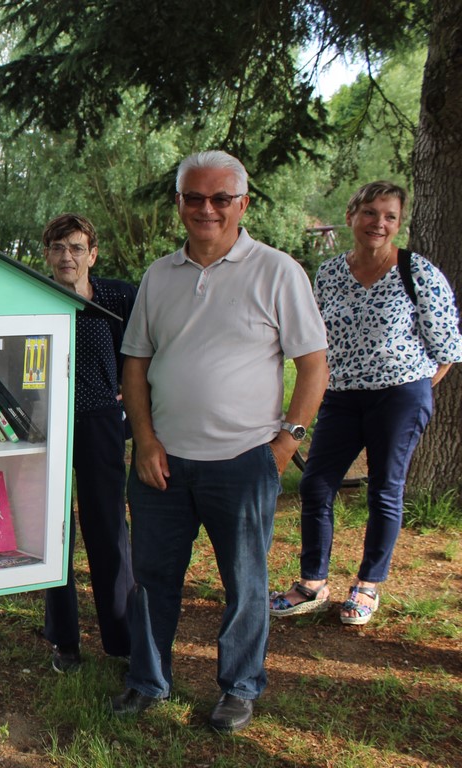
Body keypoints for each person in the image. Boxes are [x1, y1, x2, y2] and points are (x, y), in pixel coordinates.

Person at [113, 150, 328, 733]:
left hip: (244, 461)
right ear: (179, 202)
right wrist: (145, 440)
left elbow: (313, 365)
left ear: (242, 204)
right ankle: (148, 680)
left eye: (219, 199)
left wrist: (287, 443)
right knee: (153, 580)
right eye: (193, 197)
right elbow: (136, 364)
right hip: (163, 464)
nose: (205, 209)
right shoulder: (159, 275)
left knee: (246, 584)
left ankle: (239, 687)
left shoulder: (279, 271)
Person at [270, 181, 461, 625]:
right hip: (339, 396)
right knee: (316, 484)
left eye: (390, 216)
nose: (380, 223)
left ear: (399, 223)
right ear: (353, 215)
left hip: (400, 396)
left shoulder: (418, 271)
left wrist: (417, 392)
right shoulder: (331, 273)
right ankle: (312, 582)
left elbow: (447, 348)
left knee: (384, 489)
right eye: (371, 213)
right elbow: (316, 339)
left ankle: (368, 584)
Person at [39, 213, 135, 672]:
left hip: (100, 421)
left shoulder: (118, 295)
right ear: (46, 255)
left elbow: (144, 347)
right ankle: (64, 640)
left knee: (108, 528)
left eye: (76, 248)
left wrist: (131, 393)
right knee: (57, 530)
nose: (67, 257)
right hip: (49, 424)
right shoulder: (34, 297)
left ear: (92, 255)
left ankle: (121, 636)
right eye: (58, 248)